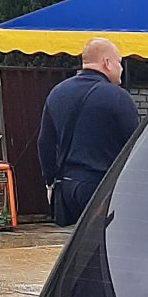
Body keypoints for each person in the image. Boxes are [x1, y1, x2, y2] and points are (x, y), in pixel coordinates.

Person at [38, 37, 139, 226]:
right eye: (119, 62)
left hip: (68, 187)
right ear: (107, 63)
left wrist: (50, 181)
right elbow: (133, 147)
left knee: (78, 246)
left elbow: (45, 143)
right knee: (103, 244)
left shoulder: (57, 92)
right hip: (102, 188)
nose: (121, 69)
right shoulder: (119, 97)